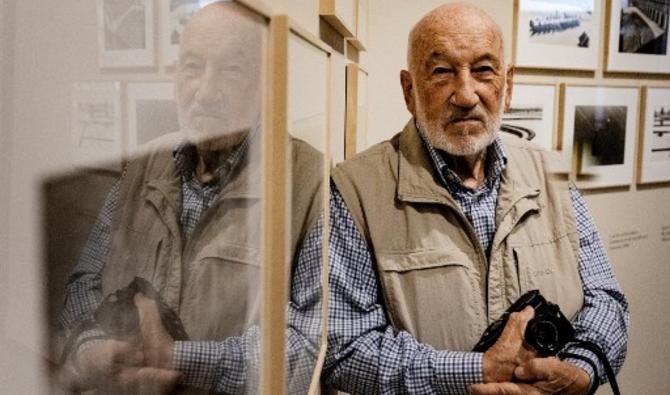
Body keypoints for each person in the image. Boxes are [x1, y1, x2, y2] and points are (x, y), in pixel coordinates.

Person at [314, 3, 629, 394]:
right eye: (442, 71)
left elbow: (608, 300)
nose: (465, 95)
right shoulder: (355, 189)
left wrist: (581, 370)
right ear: (409, 90)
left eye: (483, 70)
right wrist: (476, 370)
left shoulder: (552, 175)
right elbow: (343, 348)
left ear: (507, 84)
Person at [57, 2, 323, 394]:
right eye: (192, 68)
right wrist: (89, 347)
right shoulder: (142, 164)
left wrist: (177, 358)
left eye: (231, 70)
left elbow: (310, 339)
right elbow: (84, 281)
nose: (206, 91)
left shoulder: (308, 179)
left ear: (268, 82)